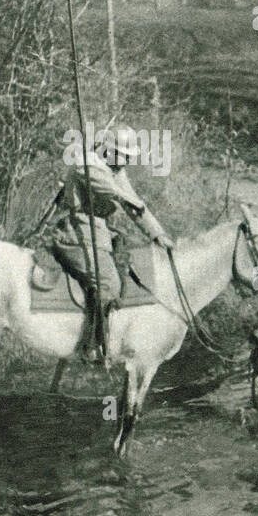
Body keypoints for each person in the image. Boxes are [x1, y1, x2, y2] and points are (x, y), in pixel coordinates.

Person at [52, 124, 173, 360]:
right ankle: (92, 345)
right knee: (108, 285)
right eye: (123, 155)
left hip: (97, 231)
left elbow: (134, 203)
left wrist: (158, 234)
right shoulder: (86, 164)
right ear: (108, 150)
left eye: (128, 157)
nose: (126, 162)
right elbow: (111, 190)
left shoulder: (115, 169)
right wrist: (129, 199)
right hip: (76, 230)